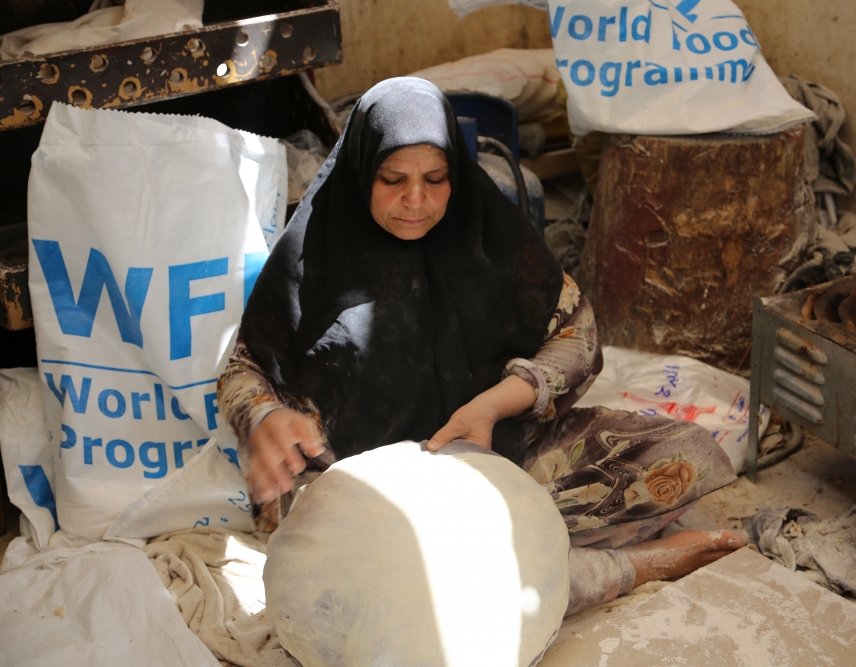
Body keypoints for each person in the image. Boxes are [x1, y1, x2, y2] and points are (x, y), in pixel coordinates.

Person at [218, 77, 744, 616]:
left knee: (684, 455)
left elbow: (577, 335)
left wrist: (492, 406)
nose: (416, 201)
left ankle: (510, 554)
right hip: (362, 498)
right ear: (360, 170)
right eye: (392, 179)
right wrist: (264, 418)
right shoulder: (312, 258)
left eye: (437, 179)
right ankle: (630, 567)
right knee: (368, 585)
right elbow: (241, 368)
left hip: (498, 456)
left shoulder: (488, 234)